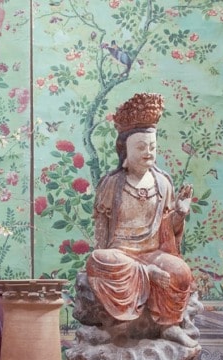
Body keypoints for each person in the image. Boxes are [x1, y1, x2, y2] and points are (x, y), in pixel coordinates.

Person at [85, 92, 195, 331]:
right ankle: (146, 274)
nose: (148, 152)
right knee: (99, 259)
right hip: (121, 255)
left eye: (153, 147)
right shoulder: (112, 184)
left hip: (153, 252)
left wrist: (179, 214)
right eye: (141, 146)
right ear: (124, 149)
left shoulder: (162, 182)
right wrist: (101, 257)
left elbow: (166, 233)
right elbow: (101, 238)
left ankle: (168, 327)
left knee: (182, 273)